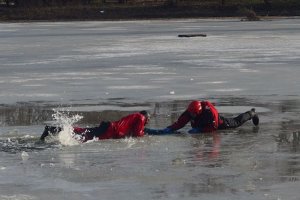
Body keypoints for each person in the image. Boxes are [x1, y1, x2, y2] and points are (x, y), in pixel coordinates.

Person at [147, 100, 259, 134]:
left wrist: (201, 130)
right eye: (191, 114)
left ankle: (251, 113)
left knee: (236, 122)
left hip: (218, 123)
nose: (192, 116)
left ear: (199, 111)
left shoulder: (210, 112)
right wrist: (170, 128)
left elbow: (213, 127)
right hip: (201, 123)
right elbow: (181, 122)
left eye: (194, 114)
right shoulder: (191, 110)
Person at [40, 110, 150, 142]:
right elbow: (138, 134)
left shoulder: (135, 117)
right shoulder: (141, 117)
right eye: (148, 119)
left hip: (109, 128)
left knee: (84, 132)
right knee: (84, 136)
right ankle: (52, 129)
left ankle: (54, 129)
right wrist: (146, 135)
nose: (148, 122)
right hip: (109, 130)